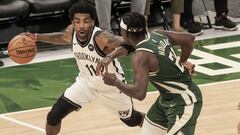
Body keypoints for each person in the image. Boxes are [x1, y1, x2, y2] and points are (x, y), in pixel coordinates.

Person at [22, 1, 144, 135]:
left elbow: (129, 43)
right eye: (77, 21)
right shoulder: (71, 32)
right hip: (86, 83)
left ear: (93, 22)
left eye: (86, 21)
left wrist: (110, 56)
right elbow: (61, 37)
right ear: (73, 23)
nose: (81, 25)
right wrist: (35, 37)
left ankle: (159, 126)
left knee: (132, 120)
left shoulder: (100, 37)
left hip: (112, 88)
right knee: (53, 116)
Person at [96, 12, 202, 135]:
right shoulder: (158, 34)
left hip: (185, 101)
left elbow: (140, 94)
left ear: (125, 34)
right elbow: (189, 38)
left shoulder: (141, 57)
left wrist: (115, 82)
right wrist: (182, 60)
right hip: (165, 101)